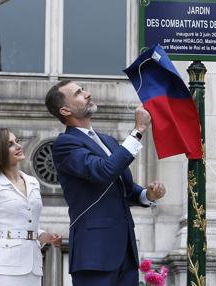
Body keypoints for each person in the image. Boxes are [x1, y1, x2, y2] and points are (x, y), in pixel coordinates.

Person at [45, 80, 166, 286]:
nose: (87, 94)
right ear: (65, 110)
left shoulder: (108, 141)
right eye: (78, 93)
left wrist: (148, 195)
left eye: (83, 89)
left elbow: (123, 188)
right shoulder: (65, 144)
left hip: (125, 253)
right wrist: (137, 130)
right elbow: (102, 171)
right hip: (94, 254)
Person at [0, 128, 62, 286]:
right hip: (6, 269)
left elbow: (32, 226)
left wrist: (47, 237)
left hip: (34, 268)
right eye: (10, 144)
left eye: (17, 141)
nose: (18, 146)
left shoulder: (32, 182)